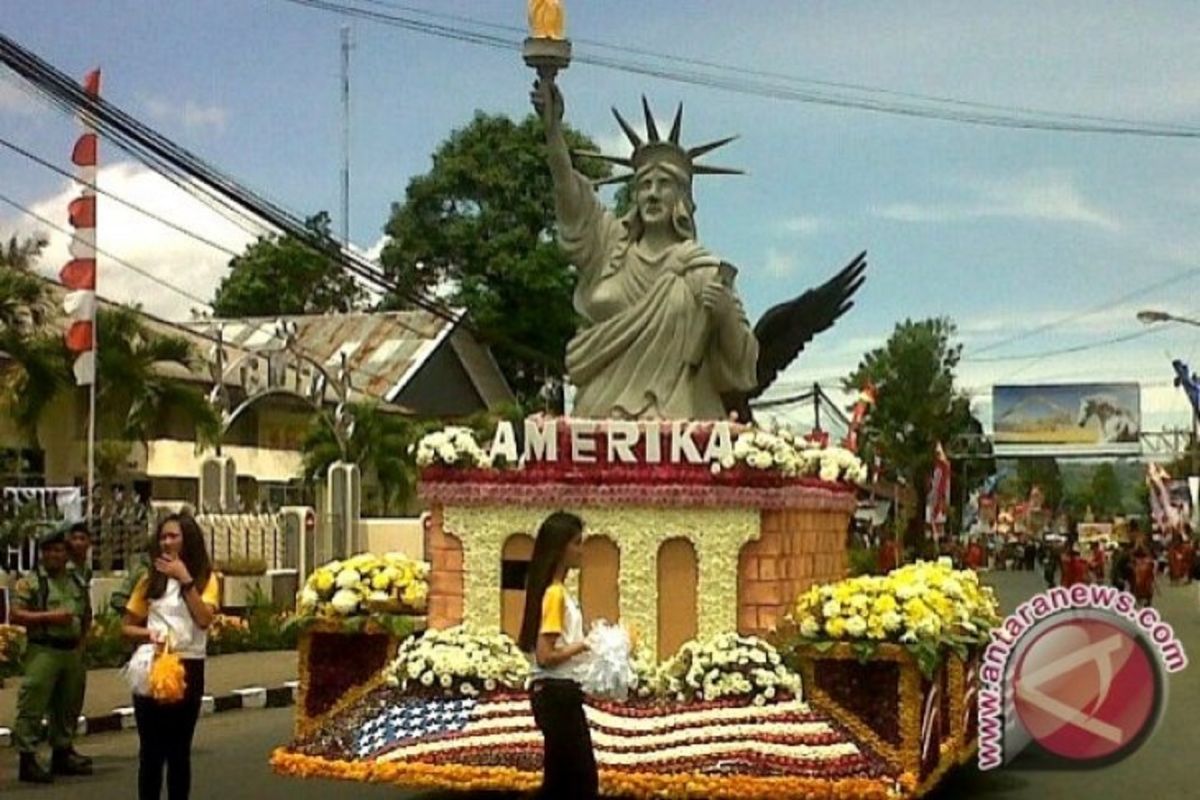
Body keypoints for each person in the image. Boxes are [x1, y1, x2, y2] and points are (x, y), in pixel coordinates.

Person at [533, 77, 759, 419]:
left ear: (682, 198)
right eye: (644, 185)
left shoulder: (702, 270)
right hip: (598, 419)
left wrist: (725, 312)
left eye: (664, 184)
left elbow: (742, 367)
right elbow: (570, 196)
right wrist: (553, 132)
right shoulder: (608, 245)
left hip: (677, 423)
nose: (652, 194)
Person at [122, 514, 218, 800]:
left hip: (188, 667)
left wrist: (185, 579)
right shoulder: (149, 581)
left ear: (187, 540)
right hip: (153, 665)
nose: (166, 542)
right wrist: (146, 635)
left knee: (178, 751)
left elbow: (203, 619)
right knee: (150, 751)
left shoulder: (206, 579)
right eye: (163, 537)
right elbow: (126, 626)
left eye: (173, 536)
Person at [517, 511, 597, 799]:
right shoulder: (555, 595)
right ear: (560, 548)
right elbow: (545, 655)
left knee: (562, 782)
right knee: (579, 783)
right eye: (576, 543)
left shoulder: (556, 592)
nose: (581, 550)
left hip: (558, 695)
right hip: (557, 696)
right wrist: (588, 644)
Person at [9, 526, 93, 783]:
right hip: (44, 649)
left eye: (59, 550)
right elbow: (16, 614)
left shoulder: (75, 578)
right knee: (33, 703)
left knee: (68, 704)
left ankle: (63, 751)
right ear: (42, 554)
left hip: (71, 651)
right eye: (49, 551)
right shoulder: (32, 582)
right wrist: (50, 617)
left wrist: (83, 640)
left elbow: (85, 610)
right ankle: (27, 758)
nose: (55, 556)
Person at [64, 521, 95, 770]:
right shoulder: (61, 569)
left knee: (72, 699)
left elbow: (84, 606)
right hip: (57, 643)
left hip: (77, 644)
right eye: (74, 538)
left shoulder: (84, 570)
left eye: (83, 538)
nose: (78, 543)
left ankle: (65, 747)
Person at [1131, 542, 1157, 608]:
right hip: (1140, 578)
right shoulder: (1137, 560)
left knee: (1146, 588)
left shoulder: (1148, 560)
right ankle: (1143, 601)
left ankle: (1145, 602)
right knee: (1140, 587)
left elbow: (1153, 568)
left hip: (1144, 578)